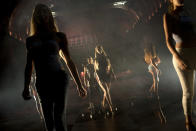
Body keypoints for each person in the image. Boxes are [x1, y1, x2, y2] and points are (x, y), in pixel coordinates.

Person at [22, 4, 87, 131]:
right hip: (42, 80)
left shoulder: (59, 36)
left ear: (49, 15)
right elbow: (29, 65)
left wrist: (80, 85)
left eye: (45, 12)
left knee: (58, 117)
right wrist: (26, 87)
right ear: (35, 17)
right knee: (48, 120)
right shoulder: (30, 40)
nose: (43, 15)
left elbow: (69, 61)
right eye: (40, 13)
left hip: (59, 78)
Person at [163, 0, 196, 130]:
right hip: (182, 54)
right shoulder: (168, 16)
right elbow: (168, 40)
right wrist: (177, 57)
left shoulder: (190, 12)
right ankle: (189, 122)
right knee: (188, 92)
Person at [94, 45, 116, 114]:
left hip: (107, 75)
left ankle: (103, 102)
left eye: (100, 48)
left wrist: (113, 73)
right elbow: (95, 70)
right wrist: (99, 78)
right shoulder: (96, 59)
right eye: (98, 49)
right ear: (96, 51)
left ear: (102, 49)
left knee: (106, 92)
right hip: (100, 76)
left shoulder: (106, 57)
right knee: (106, 90)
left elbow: (110, 65)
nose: (99, 50)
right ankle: (111, 107)